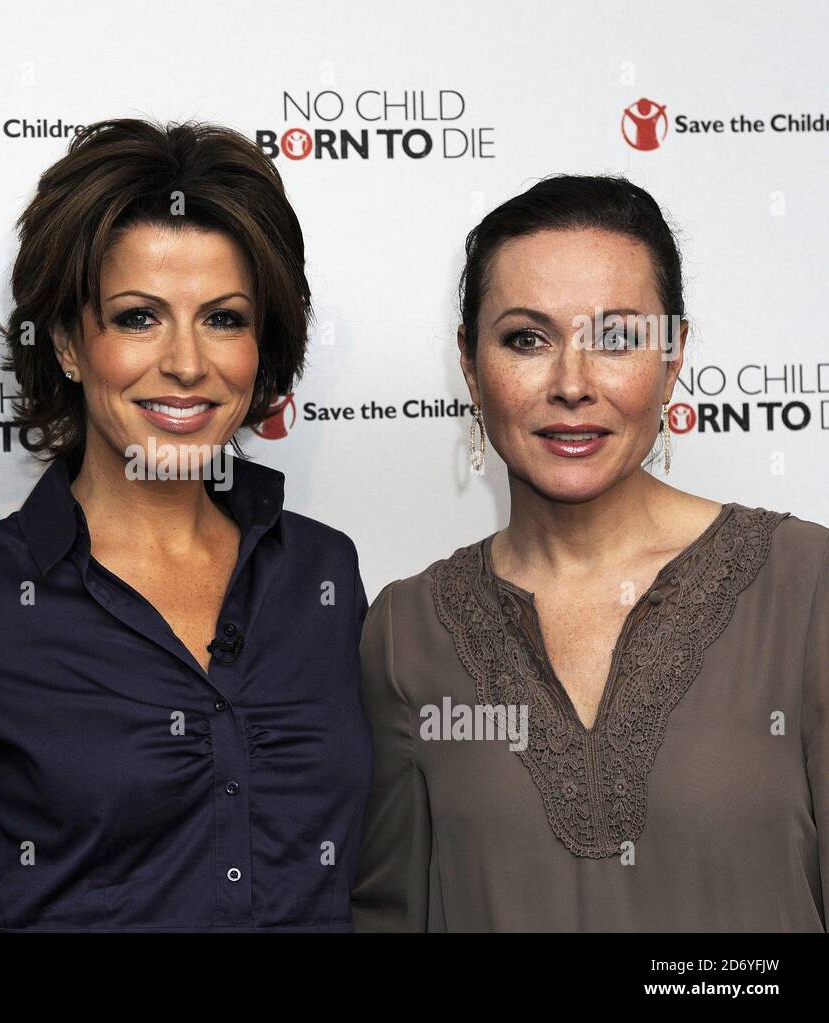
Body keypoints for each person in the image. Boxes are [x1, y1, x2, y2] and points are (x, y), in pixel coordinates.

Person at [0, 118, 373, 931]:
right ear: (66, 340)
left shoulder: (323, 573)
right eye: (138, 317)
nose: (188, 363)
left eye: (225, 319)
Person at [352, 174, 829, 931]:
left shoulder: (808, 588)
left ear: (672, 358)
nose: (572, 384)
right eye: (526, 339)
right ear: (471, 367)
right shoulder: (408, 631)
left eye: (617, 338)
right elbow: (389, 917)